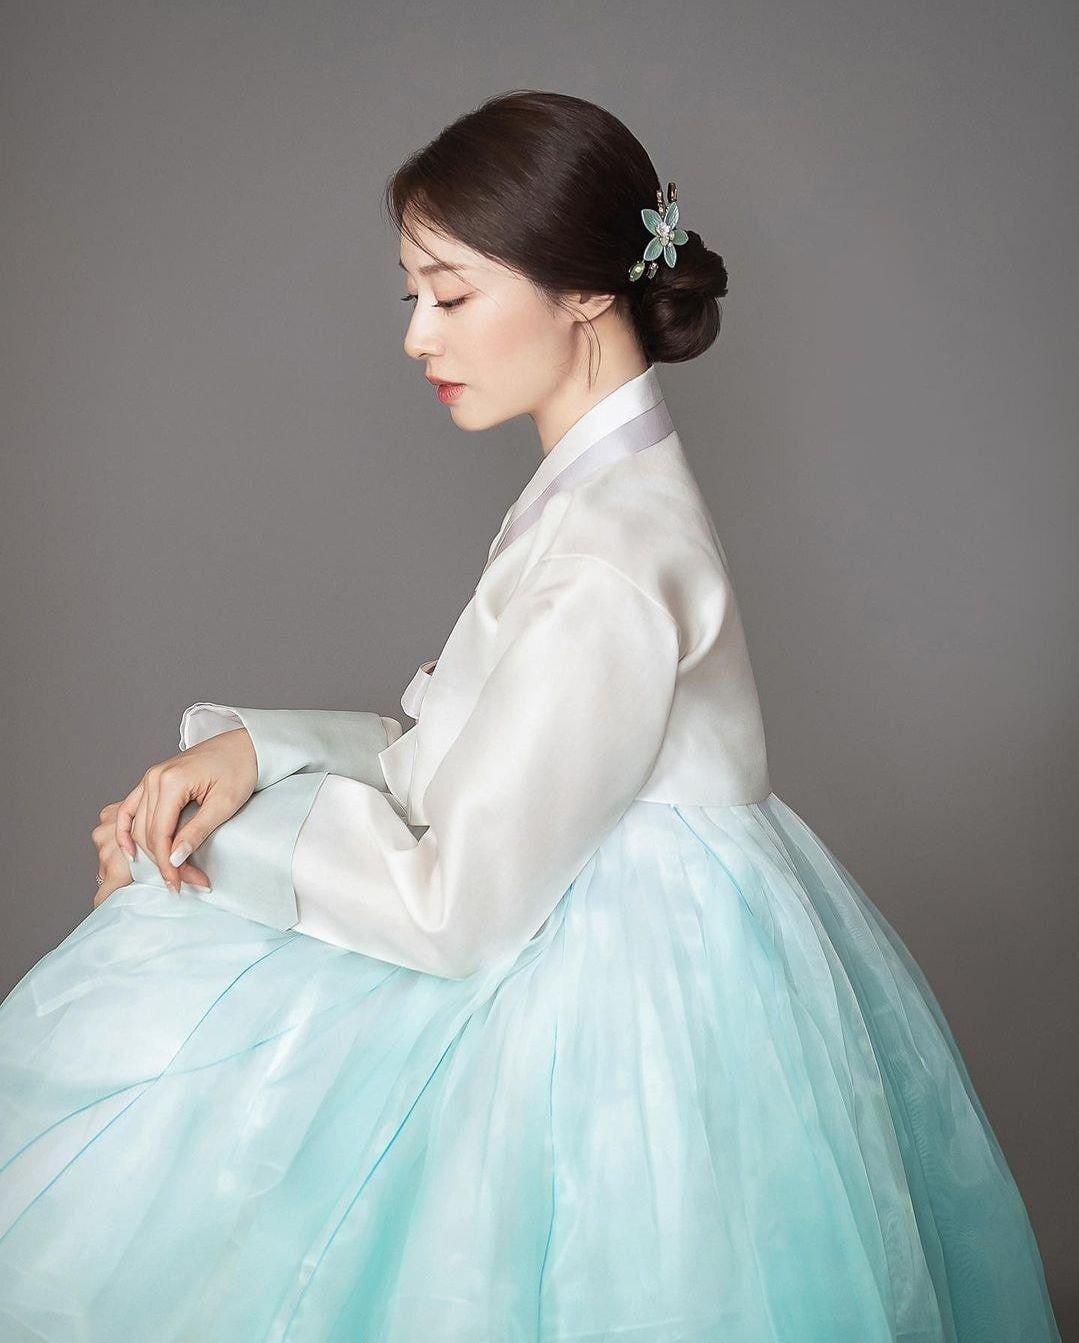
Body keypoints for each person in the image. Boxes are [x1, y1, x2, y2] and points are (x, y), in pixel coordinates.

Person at [0, 90, 1061, 1343]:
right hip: (585, 951)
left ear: (585, 292)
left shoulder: (610, 552)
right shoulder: (590, 491)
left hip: (616, 1028)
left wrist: (206, 848)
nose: (417, 335)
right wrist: (252, 750)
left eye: (450, 294)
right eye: (413, 294)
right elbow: (459, 756)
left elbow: (452, 906)